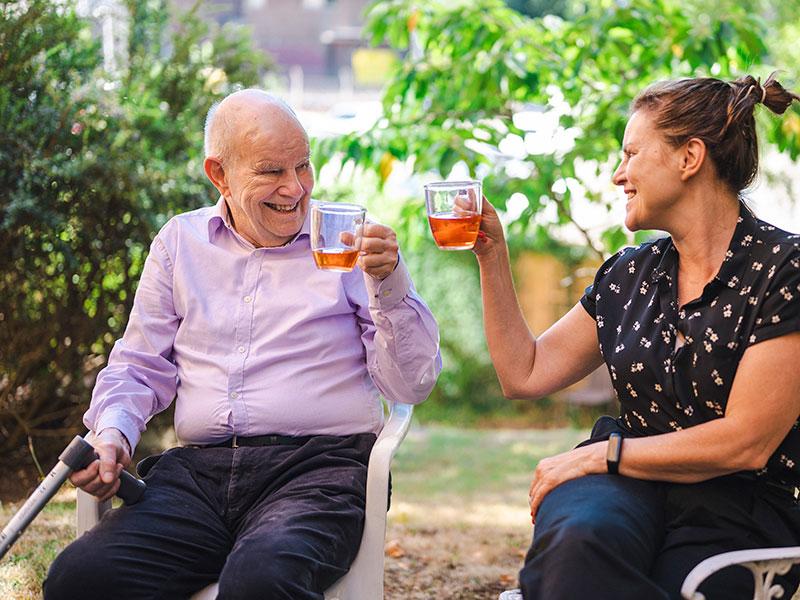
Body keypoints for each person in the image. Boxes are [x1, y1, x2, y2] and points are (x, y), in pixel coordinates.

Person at [44, 89, 442, 600]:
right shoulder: (180, 244)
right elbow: (139, 366)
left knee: (260, 581)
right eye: (271, 171)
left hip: (319, 473)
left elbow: (411, 383)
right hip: (198, 477)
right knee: (80, 580)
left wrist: (389, 284)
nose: (295, 189)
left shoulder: (346, 245)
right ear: (219, 175)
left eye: (303, 166)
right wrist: (112, 436)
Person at [474, 73, 800, 599]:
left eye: (630, 154)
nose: (617, 174)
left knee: (685, 584)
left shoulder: (784, 270)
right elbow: (525, 372)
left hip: (738, 503)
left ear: (688, 157)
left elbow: (747, 443)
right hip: (625, 490)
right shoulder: (629, 274)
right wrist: (493, 256)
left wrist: (597, 455)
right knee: (576, 544)